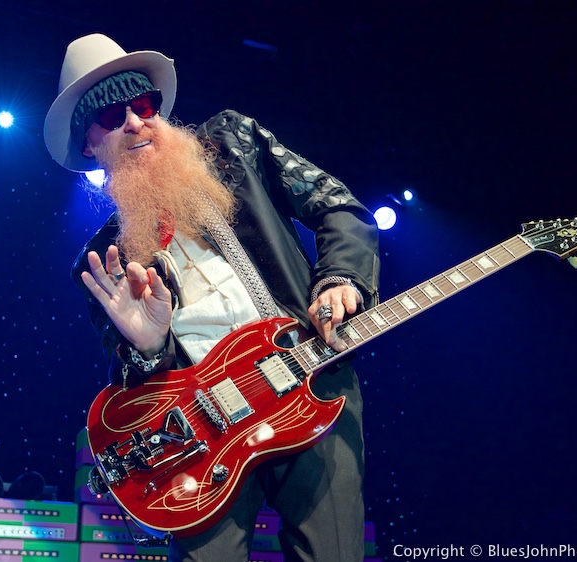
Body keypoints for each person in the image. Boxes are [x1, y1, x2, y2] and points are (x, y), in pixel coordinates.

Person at [44, 33, 380, 562]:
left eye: (144, 104)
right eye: (112, 117)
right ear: (89, 143)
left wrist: (340, 279)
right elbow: (134, 385)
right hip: (206, 435)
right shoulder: (103, 258)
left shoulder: (233, 143)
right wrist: (150, 346)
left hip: (307, 379)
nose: (135, 122)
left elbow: (337, 206)